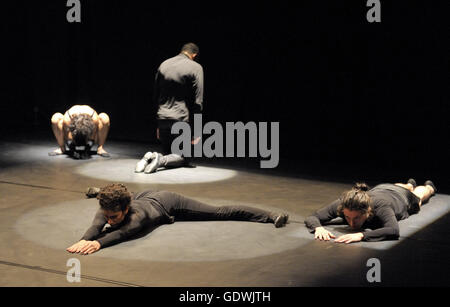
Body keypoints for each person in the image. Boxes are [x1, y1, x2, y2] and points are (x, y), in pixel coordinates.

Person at [67, 183, 289, 255]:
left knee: (218, 211)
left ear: (126, 210)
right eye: (107, 215)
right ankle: (99, 190)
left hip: (166, 202)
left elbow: (123, 232)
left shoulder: (138, 216)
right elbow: (96, 224)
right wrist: (85, 238)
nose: (109, 220)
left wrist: (97, 243)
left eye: (114, 217)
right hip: (141, 196)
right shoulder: (109, 208)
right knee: (117, 196)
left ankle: (270, 215)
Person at [135, 43, 203, 174]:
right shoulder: (196, 67)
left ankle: (150, 157)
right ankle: (158, 159)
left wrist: (158, 125)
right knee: (184, 157)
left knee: (170, 154)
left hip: (163, 118)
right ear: (194, 55)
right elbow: (198, 102)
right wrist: (197, 130)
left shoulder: (164, 64)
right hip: (181, 119)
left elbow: (156, 95)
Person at [304, 179, 437, 243]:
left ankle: (428, 187)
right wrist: (318, 228)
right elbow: (313, 217)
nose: (351, 223)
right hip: (382, 188)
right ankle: (409, 184)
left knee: (419, 197)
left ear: (367, 212)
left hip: (402, 197)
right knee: (397, 186)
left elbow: (393, 230)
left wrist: (362, 235)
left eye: (356, 218)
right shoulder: (344, 204)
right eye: (348, 217)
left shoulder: (381, 208)